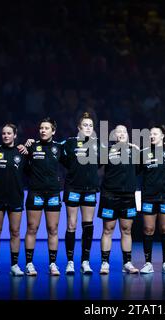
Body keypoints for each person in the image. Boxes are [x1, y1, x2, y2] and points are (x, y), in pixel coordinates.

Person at [61, 112, 100, 274]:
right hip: (73, 188)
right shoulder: (69, 143)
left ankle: (85, 262)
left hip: (90, 189)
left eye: (91, 125)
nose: (88, 128)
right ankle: (70, 262)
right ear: (79, 127)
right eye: (85, 125)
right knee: (71, 224)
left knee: (88, 225)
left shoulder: (99, 144)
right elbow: (55, 152)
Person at [23, 118, 63, 276]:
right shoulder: (31, 146)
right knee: (32, 228)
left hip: (53, 192)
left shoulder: (59, 147)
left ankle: (53, 264)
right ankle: (29, 264)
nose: (43, 130)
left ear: (53, 131)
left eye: (47, 128)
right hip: (35, 192)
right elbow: (22, 166)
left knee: (53, 229)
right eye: (41, 128)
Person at [98, 125, 139, 274]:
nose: (121, 134)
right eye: (118, 132)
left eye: (124, 131)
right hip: (109, 196)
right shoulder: (107, 151)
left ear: (127, 135)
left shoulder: (135, 151)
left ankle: (127, 263)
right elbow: (96, 167)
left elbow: (140, 169)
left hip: (128, 196)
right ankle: (104, 263)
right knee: (108, 230)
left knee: (126, 230)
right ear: (114, 135)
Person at [0, 123, 26, 276]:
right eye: (4, 133)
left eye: (9, 133)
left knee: (15, 232)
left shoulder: (22, 152)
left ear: (15, 135)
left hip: (15, 197)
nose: (6, 136)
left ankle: (14, 266)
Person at [139, 125, 165, 274]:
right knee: (148, 229)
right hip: (149, 196)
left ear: (162, 136)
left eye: (155, 134)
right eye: (150, 134)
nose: (152, 136)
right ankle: (148, 263)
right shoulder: (144, 153)